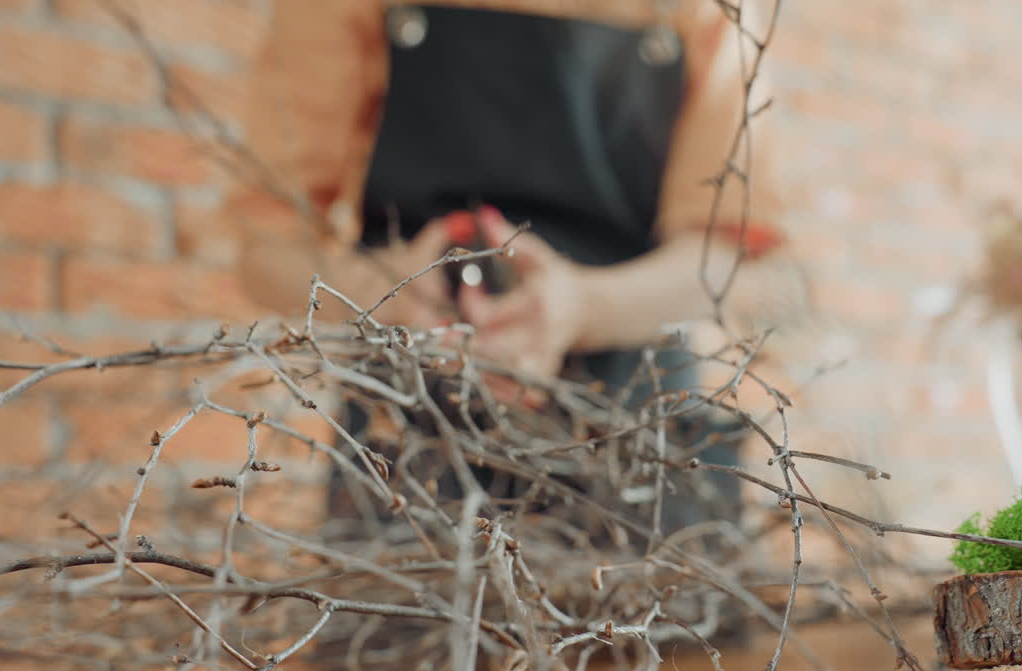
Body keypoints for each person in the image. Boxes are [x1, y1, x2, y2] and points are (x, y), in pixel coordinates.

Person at [227, 1, 807, 532]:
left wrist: (583, 307)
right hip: (413, 442)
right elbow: (266, 252)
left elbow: (742, 269)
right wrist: (392, 291)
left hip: (636, 441)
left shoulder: (706, 12)